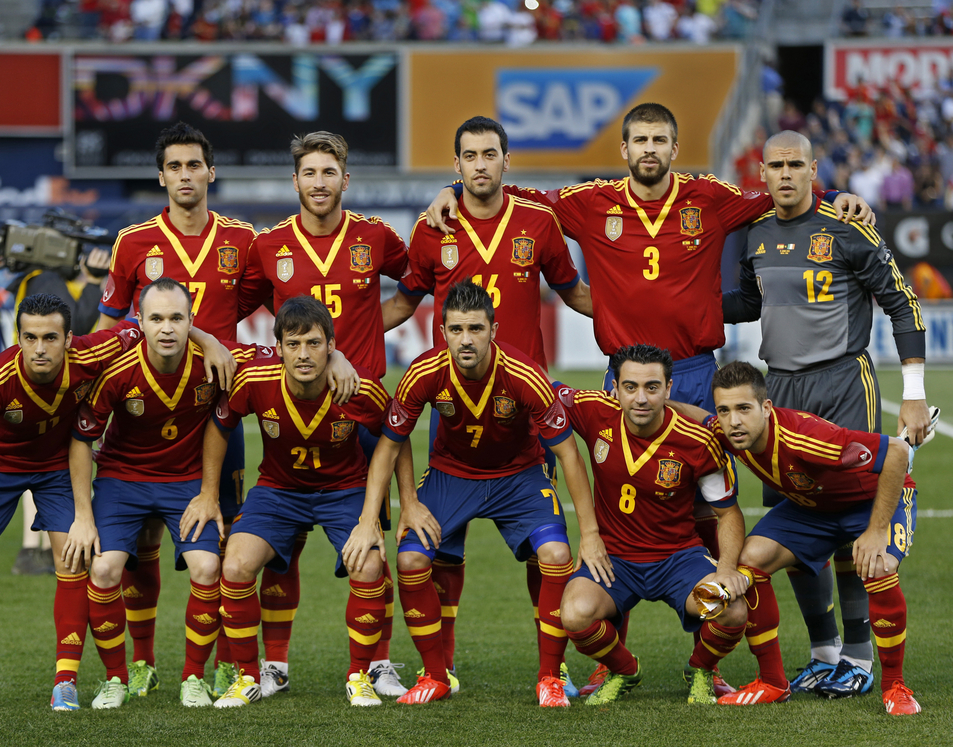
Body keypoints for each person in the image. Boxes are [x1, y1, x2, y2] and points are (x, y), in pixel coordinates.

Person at [425, 101, 874, 697]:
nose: (649, 149)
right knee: (621, 518)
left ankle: (740, 668)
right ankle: (610, 661)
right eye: (639, 139)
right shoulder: (591, 203)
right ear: (625, 149)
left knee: (717, 520)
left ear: (674, 145)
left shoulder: (709, 197)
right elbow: (513, 191)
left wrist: (837, 196)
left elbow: (780, 191)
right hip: (624, 380)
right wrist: (451, 191)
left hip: (692, 377)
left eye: (659, 139)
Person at [722, 129, 929, 698]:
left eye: (796, 164)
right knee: (797, 519)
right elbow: (745, 303)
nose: (785, 174)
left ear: (814, 171)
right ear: (761, 173)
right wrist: (674, 300)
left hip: (843, 380)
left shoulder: (848, 228)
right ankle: (824, 651)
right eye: (775, 165)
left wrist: (913, 391)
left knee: (850, 518)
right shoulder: (755, 234)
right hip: (780, 388)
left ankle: (860, 657)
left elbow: (901, 301)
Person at [390, 115, 592, 691]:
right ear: (456, 167)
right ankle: (441, 669)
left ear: (507, 160)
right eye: (469, 156)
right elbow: (404, 303)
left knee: (543, 553)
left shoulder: (537, 221)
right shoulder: (433, 229)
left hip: (525, 414)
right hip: (452, 416)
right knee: (440, 552)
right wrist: (337, 345)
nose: (480, 164)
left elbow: (572, 291)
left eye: (490, 154)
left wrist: (636, 314)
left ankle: (552, 673)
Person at [349, 279, 595, 707]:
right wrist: (375, 518)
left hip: (519, 476)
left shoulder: (525, 375)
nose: (466, 339)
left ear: (494, 330)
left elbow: (570, 456)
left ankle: (550, 677)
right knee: (409, 557)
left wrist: (589, 533)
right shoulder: (423, 373)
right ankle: (437, 674)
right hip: (452, 475)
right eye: (457, 329)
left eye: (476, 329)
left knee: (556, 555)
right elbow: (389, 445)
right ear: (442, 331)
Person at [235, 131, 412, 698]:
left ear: (345, 179)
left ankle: (377, 662)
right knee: (281, 550)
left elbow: (413, 288)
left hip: (359, 416)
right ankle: (276, 664)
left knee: (369, 546)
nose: (319, 183)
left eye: (328, 172)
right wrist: (308, 348)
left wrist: (359, 344)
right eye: (309, 173)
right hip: (294, 401)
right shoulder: (269, 246)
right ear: (296, 181)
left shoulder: (376, 236)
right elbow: (259, 307)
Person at [95, 121, 262, 700]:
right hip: (146, 421)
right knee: (138, 547)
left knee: (223, 546)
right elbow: (110, 324)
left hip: (218, 417)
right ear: (160, 175)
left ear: (210, 172)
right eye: (175, 166)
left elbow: (286, 312)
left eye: (195, 165)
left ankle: (217, 664)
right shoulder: (134, 241)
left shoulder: (243, 240)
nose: (185, 176)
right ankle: (142, 665)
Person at [70, 278, 272, 709]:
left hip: (185, 482)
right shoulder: (117, 367)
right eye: (157, 318)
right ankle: (117, 678)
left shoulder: (213, 359)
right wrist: (83, 514)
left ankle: (192, 677)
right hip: (122, 479)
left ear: (191, 322)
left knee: (206, 565)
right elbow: (82, 438)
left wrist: (339, 357)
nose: (166, 328)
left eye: (177, 318)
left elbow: (285, 355)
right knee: (104, 570)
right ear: (138, 320)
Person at [205, 296, 412, 708]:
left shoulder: (359, 388)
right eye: (294, 344)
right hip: (278, 490)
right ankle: (249, 676)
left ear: (332, 345)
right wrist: (208, 494)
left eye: (314, 343)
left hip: (343, 491)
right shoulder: (256, 381)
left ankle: (360, 676)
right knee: (235, 564)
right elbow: (220, 426)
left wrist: (407, 503)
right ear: (277, 346)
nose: (303, 354)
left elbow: (396, 435)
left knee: (370, 563)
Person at [686, 361, 921, 716]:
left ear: (766, 408)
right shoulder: (727, 430)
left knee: (879, 565)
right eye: (724, 410)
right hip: (813, 509)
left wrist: (875, 532)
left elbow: (898, 454)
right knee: (750, 559)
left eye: (743, 409)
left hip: (868, 504)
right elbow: (697, 418)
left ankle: (895, 686)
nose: (733, 420)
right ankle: (772, 682)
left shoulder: (807, 438)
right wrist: (661, 404)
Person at [0, 293, 143, 713]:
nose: (40, 348)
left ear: (70, 339)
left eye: (51, 337)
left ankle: (65, 682)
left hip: (57, 467)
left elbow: (148, 325)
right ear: (17, 338)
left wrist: (212, 341)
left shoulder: (98, 351)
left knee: (73, 557)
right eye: (30, 337)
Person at [554, 344, 747, 705]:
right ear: (614, 387)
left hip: (678, 560)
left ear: (669, 389)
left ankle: (701, 668)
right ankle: (624, 670)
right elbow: (540, 390)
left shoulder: (697, 442)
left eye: (652, 388)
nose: (640, 398)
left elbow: (729, 513)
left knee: (732, 608)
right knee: (575, 614)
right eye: (630, 387)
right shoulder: (594, 411)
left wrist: (725, 567)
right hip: (615, 561)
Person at [9, 245, 112, 577]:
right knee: (46, 462)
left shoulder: (32, 279)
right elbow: (76, 322)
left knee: (38, 460)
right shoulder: (49, 279)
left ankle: (33, 547)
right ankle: (33, 547)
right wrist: (95, 281)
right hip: (45, 386)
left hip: (32, 383)